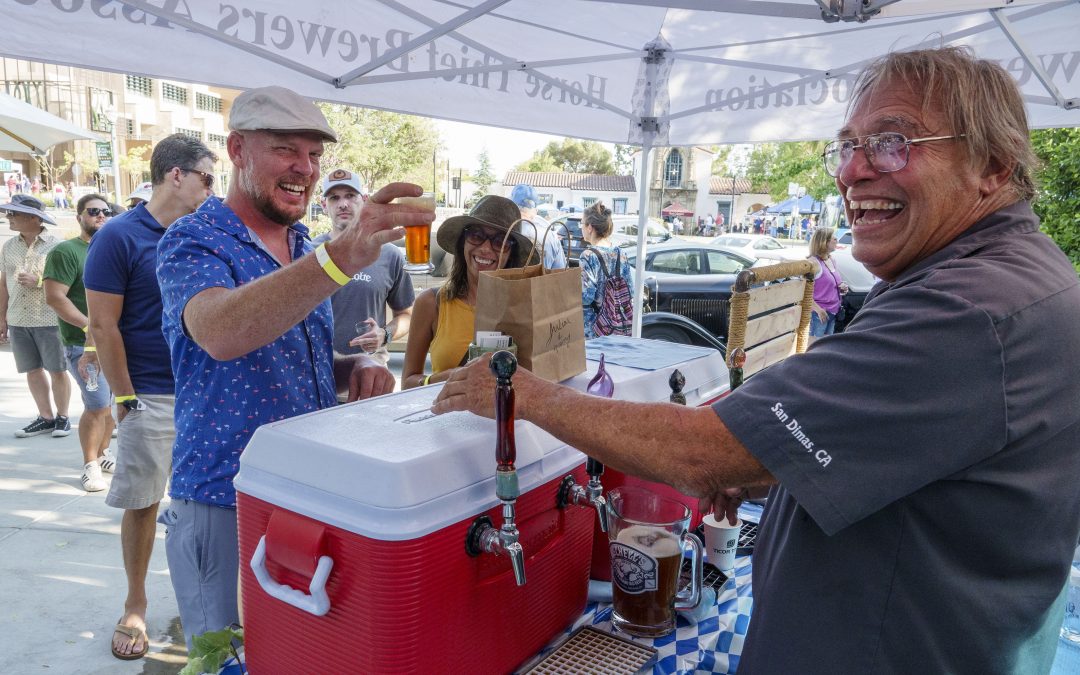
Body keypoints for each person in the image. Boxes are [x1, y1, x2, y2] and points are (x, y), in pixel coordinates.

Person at [432, 47, 1080, 672]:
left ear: (993, 165)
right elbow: (911, 452)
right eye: (848, 146)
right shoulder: (1005, 279)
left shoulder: (972, 308)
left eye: (892, 142)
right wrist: (777, 464)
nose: (852, 171)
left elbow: (700, 452)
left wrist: (525, 393)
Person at [155, 85, 430, 648]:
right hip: (222, 497)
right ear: (236, 150)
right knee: (228, 657)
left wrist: (348, 367)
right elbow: (223, 332)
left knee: (299, 653)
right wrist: (337, 260)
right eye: (286, 149)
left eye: (314, 155)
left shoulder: (302, 244)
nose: (304, 168)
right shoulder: (193, 238)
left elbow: (283, 354)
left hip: (303, 495)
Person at [84, 133, 216, 660]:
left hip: (207, 390)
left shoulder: (206, 233)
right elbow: (102, 324)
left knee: (207, 506)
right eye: (207, 176)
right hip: (152, 392)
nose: (213, 187)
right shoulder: (120, 235)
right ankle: (135, 603)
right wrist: (125, 397)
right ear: (175, 175)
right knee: (143, 503)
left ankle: (209, 604)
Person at [401, 195, 529, 389]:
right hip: (449, 416)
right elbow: (407, 384)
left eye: (499, 241)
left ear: (511, 252)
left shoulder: (526, 309)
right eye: (476, 235)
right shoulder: (431, 303)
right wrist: (445, 378)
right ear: (463, 242)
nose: (485, 248)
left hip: (508, 417)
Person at [43, 194, 115, 492]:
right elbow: (54, 297)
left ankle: (103, 453)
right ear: (79, 217)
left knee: (112, 406)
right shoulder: (66, 251)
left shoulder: (110, 248)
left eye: (105, 211)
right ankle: (90, 465)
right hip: (82, 346)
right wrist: (90, 326)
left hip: (114, 343)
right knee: (97, 406)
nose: (100, 216)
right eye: (93, 211)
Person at [312, 168, 414, 368]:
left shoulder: (390, 254)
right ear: (324, 205)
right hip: (319, 375)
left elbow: (407, 315)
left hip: (371, 375)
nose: (343, 204)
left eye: (350, 196)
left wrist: (384, 334)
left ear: (365, 200)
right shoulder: (310, 253)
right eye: (334, 198)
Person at [0, 194, 72, 439]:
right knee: (31, 370)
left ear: (33, 218)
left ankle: (63, 417)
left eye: (13, 214)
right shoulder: (8, 246)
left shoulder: (56, 245)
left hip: (49, 318)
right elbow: (3, 284)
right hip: (18, 318)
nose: (8, 217)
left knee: (57, 370)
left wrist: (39, 281)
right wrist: (2, 318)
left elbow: (69, 283)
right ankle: (46, 417)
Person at [578, 201, 633, 339]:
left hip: (594, 330)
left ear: (590, 227)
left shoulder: (588, 256)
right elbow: (630, 291)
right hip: (620, 327)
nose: (581, 228)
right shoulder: (621, 254)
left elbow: (585, 297)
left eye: (582, 223)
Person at [511, 183, 566, 269]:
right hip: (544, 282)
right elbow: (561, 272)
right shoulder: (551, 236)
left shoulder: (506, 232)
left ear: (512, 208)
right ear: (535, 210)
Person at [806, 226, 848, 340]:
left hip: (832, 312)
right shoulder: (812, 263)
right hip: (818, 314)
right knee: (814, 348)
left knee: (824, 347)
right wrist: (817, 309)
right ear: (824, 241)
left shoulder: (831, 260)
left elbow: (829, 283)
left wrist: (842, 287)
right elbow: (803, 291)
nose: (837, 240)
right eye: (833, 238)